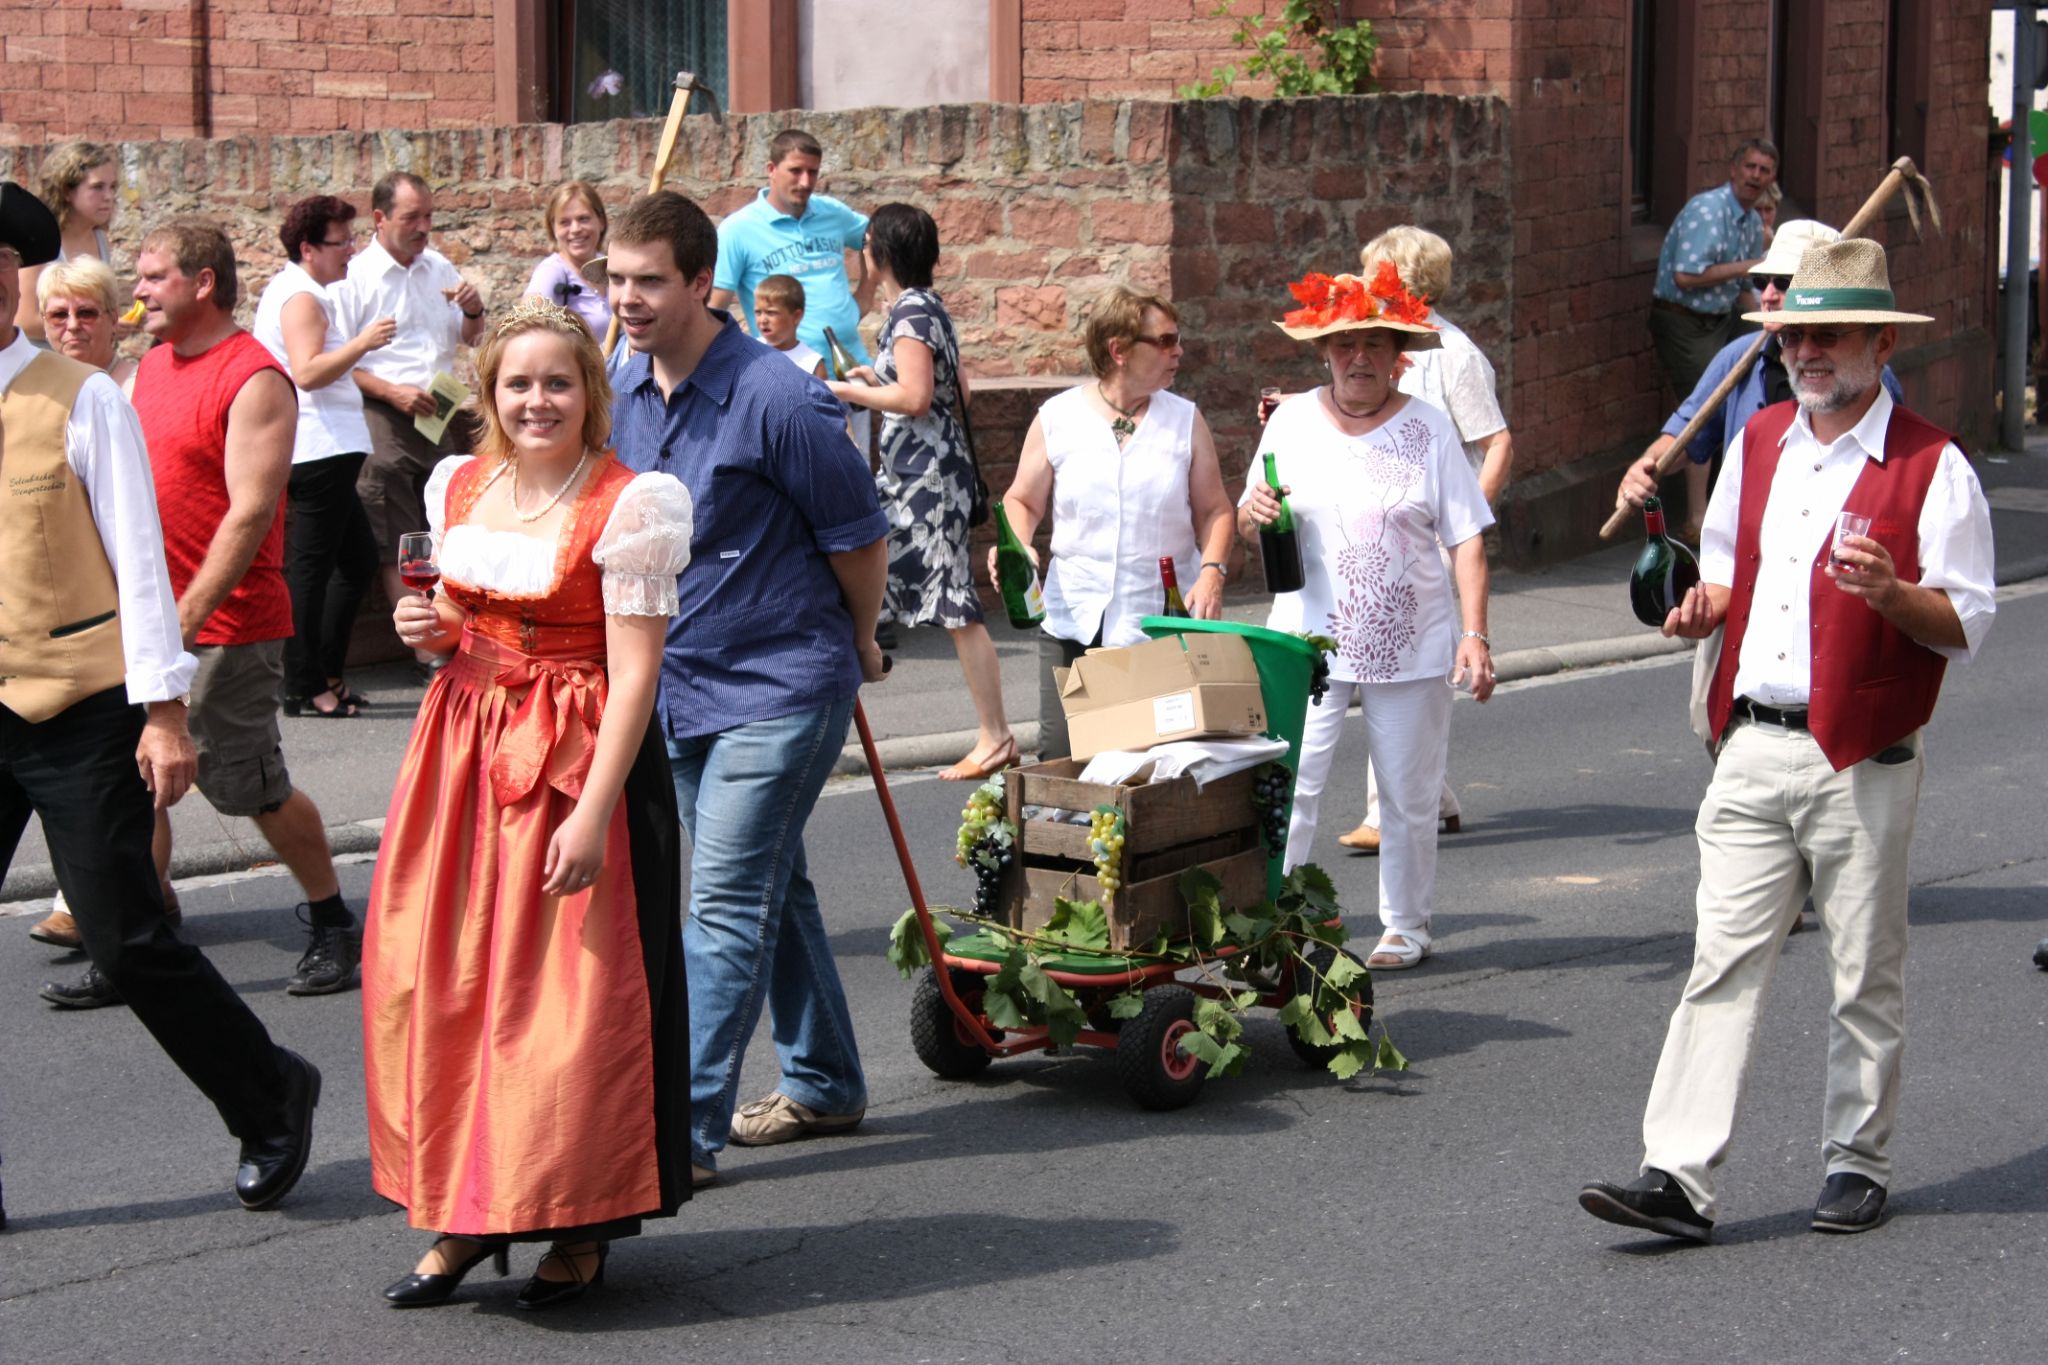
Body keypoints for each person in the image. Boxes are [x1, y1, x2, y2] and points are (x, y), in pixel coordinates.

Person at [1581, 239, 1996, 1242]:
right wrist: (1695, 609)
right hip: (1752, 743)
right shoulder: (1761, 438)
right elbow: (1727, 576)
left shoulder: (1931, 466)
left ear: (1873, 345)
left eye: (1825, 334)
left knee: (1862, 969)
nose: (1805, 350)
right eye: (1792, 333)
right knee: (1717, 961)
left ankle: (1856, 1159)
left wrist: (1892, 594)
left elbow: (1967, 620)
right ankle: (1674, 1175)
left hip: (1860, 748)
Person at [362, 298, 692, 1310]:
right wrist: (428, 625)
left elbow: (635, 678)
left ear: (591, 394)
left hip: (575, 759)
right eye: (518, 383)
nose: (537, 400)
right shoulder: (461, 482)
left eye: (558, 381)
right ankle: (461, 1216)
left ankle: (577, 1221)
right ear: (488, 396)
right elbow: (456, 620)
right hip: (459, 753)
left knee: (567, 1005)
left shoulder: (631, 504)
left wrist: (593, 814)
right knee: (442, 982)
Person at [0, 181, 320, 1211]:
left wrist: (166, 711)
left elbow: (142, 564)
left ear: (11, 278)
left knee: (127, 940)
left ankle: (269, 1092)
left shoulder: (81, 397)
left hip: (81, 707)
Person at [606, 190, 889, 1175]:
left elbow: (858, 538)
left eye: (649, 280)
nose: (628, 298)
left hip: (780, 680)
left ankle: (673, 1135)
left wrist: (858, 642)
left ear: (698, 284)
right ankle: (824, 1082)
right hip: (676, 686)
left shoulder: (778, 396)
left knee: (721, 905)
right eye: (615, 278)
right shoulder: (619, 394)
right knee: (776, 885)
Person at [42, 221, 363, 1009]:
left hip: (231, 623)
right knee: (132, 781)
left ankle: (332, 918)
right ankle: (140, 942)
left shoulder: (254, 377)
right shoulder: (150, 368)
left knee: (247, 786)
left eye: (152, 277)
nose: (138, 291)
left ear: (203, 283)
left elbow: (250, 515)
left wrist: (182, 619)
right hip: (150, 621)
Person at [1239, 266, 1495, 970]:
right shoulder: (1290, 422)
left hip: (1409, 638)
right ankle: (1273, 916)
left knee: (1409, 793)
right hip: (1306, 640)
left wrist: (1474, 634)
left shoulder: (1429, 429)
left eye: (1375, 344)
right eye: (1346, 343)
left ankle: (1405, 926)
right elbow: (1247, 510)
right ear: (1325, 350)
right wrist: (1252, 510)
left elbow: (1467, 535)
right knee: (1288, 783)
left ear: (1397, 354)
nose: (1359, 357)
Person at [992, 286, 1237, 762]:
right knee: (1063, 764)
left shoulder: (1184, 420)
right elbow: (1022, 499)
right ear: (1119, 350)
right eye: (1164, 341)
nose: (1177, 350)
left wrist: (1212, 573)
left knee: (1153, 766)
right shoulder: (1059, 417)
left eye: (1177, 339)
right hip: (1074, 618)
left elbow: (1215, 510)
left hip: (1160, 623)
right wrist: (1018, 544)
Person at [1335, 225, 1513, 856]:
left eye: (1373, 272)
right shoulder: (1375, 345)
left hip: (1429, 533)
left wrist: (1463, 521)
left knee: (1393, 667)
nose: (1363, 283)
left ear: (1403, 278)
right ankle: (1432, 797)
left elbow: (1496, 443)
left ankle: (1388, 816)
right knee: (1405, 670)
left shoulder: (1454, 354)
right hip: (1384, 531)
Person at [827, 204, 1013, 779]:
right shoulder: (930, 308)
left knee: (955, 602)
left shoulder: (908, 312)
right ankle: (859, 667)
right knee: (875, 568)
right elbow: (956, 392)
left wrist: (847, 390)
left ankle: (997, 735)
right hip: (932, 470)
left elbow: (914, 400)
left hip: (925, 477)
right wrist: (877, 379)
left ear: (876, 254)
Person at [1619, 219, 1905, 542]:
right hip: (1751, 550)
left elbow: (1894, 477)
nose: (1767, 295)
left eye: (1783, 282)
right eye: (1761, 281)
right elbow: (1688, 433)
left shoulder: (1868, 379)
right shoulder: (1738, 359)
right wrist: (1644, 466)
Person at [253, 194, 396, 720]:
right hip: (317, 449)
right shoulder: (302, 297)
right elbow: (307, 371)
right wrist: (363, 342)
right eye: (343, 242)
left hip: (329, 448)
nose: (352, 252)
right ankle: (302, 685)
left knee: (355, 562)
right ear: (309, 248)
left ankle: (327, 673)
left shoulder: (305, 292)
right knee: (309, 570)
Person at [343, 172, 489, 653]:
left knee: (446, 515)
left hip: (439, 405)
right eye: (412, 217)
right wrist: (391, 392)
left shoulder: (439, 267)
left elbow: (470, 340)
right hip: (382, 406)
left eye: (429, 216)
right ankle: (425, 645)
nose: (424, 227)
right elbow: (339, 361)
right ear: (380, 218)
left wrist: (472, 312)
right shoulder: (355, 277)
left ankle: (451, 628)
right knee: (398, 520)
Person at [709, 128, 874, 447]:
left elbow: (875, 239)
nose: (805, 182)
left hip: (849, 372)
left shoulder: (833, 213)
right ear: (771, 170)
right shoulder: (738, 230)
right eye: (795, 171)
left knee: (856, 479)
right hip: (787, 380)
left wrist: (865, 294)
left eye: (812, 172)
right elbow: (714, 309)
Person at [1650, 138, 1779, 520]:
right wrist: (1753, 264)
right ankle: (1696, 516)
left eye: (1764, 170)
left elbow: (1743, 291)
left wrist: (1768, 329)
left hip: (1721, 318)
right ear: (1734, 170)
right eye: (1750, 167)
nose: (1756, 176)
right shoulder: (1708, 210)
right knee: (1707, 405)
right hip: (1683, 319)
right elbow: (1686, 276)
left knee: (1753, 373)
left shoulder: (1752, 222)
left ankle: (1734, 503)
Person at [15, 142, 119, 344]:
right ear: (66, 191)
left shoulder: (100, 239)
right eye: (98, 187)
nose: (109, 196)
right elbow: (24, 320)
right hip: (43, 362)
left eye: (113, 187)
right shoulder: (38, 240)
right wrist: (98, 327)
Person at [522, 180, 610, 340]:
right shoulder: (552, 271)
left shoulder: (611, 266)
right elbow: (528, 319)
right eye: (565, 222)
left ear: (601, 222)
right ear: (553, 228)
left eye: (583, 219)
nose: (575, 229)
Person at [34, 256, 136, 391]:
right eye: (59, 315)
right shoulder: (36, 392)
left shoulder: (138, 386)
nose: (73, 325)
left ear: (113, 320)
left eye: (86, 313)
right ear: (45, 324)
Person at [755, 273, 826, 378]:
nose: (763, 320)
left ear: (796, 316)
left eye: (771, 313)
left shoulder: (812, 364)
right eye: (758, 312)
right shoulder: (749, 352)